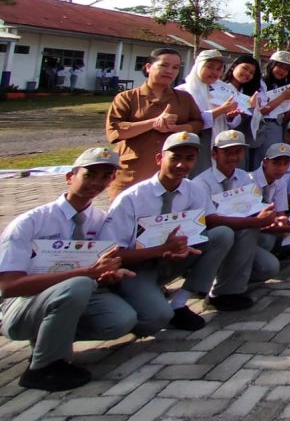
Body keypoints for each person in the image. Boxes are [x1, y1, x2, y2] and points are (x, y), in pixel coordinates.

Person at [0, 147, 137, 391]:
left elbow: (96, 272)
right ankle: (43, 368)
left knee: (120, 320)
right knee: (79, 284)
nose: (96, 182)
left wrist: (108, 275)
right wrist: (85, 274)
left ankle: (51, 340)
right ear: (69, 177)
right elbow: (9, 287)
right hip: (21, 305)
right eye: (89, 174)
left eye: (105, 176)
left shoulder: (100, 221)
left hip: (71, 295)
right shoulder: (30, 223)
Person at [100, 131, 235, 335]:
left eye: (189, 159)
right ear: (159, 158)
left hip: (173, 260)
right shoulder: (131, 199)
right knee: (157, 319)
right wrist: (160, 250)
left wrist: (178, 249)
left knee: (221, 235)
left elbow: (198, 231)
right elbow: (114, 254)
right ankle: (128, 302)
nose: (182, 165)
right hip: (136, 269)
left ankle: (179, 302)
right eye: (175, 158)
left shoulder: (195, 191)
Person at [192, 130, 283, 309]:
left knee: (268, 267)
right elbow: (211, 221)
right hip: (211, 241)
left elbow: (255, 207)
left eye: (238, 152)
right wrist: (255, 222)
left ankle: (227, 276)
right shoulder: (200, 183)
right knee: (238, 231)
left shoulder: (243, 177)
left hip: (239, 239)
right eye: (228, 152)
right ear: (214, 153)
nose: (234, 157)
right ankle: (224, 292)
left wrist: (273, 216)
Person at [105, 47, 203, 197]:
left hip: (170, 173)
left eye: (175, 67)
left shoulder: (184, 98)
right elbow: (116, 130)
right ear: (149, 67)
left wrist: (175, 128)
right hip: (133, 171)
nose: (170, 71)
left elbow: (198, 123)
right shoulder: (127, 98)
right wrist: (153, 123)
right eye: (164, 65)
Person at [176, 49, 239, 177]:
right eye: (210, 67)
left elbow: (232, 120)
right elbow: (189, 120)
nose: (214, 72)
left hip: (220, 141)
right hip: (198, 141)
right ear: (199, 66)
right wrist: (221, 110)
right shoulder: (183, 91)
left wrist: (231, 116)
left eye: (219, 69)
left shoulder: (225, 89)